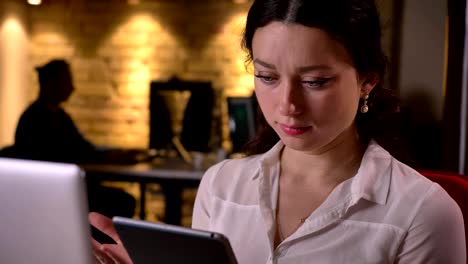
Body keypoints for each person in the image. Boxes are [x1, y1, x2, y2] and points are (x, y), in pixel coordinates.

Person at [90, 0, 466, 263]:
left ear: (367, 81)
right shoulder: (221, 186)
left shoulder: (424, 213)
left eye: (316, 81)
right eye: (267, 77)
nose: (287, 104)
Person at [14, 59, 136, 218]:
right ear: (51, 83)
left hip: (59, 190)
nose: (72, 88)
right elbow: (75, 152)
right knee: (123, 202)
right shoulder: (36, 120)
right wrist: (109, 156)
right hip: (54, 194)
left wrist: (110, 154)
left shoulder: (57, 116)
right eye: (67, 81)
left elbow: (82, 148)